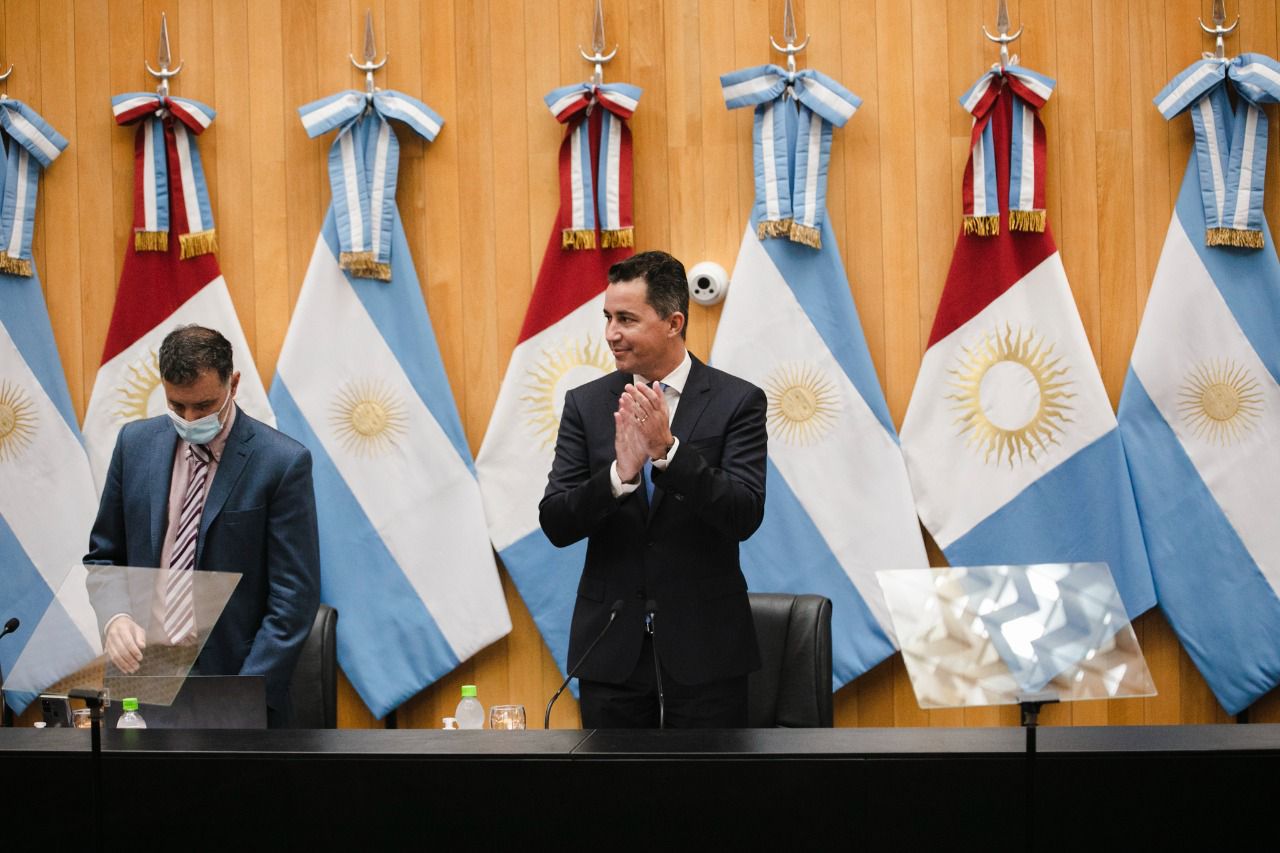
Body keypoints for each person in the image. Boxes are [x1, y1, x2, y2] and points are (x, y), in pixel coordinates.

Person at [539, 250, 767, 728]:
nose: (611, 333)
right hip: (611, 653)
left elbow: (744, 514)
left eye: (626, 319)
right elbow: (556, 522)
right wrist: (618, 478)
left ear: (673, 323)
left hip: (707, 654)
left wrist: (669, 454)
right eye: (607, 318)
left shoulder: (737, 401)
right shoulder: (586, 404)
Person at [85, 325, 320, 727]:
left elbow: (293, 597)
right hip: (142, 682)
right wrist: (115, 617)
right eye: (177, 406)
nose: (190, 419)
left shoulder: (281, 463)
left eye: (205, 406)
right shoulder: (134, 445)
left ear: (234, 384)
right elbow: (105, 557)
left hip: (233, 681)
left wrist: (245, 695)